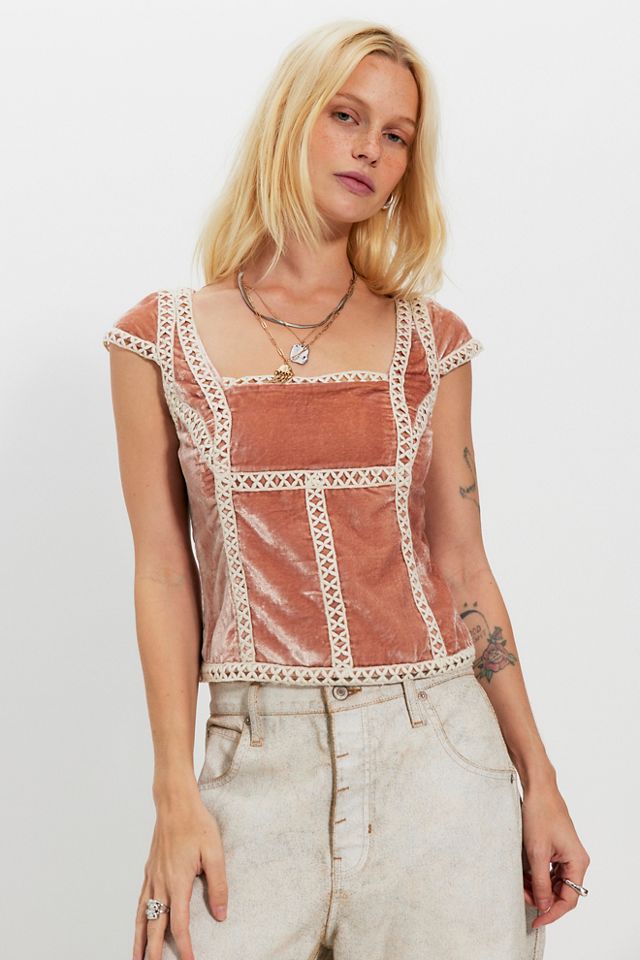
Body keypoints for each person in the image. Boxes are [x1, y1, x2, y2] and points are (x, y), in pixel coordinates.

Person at [102, 18, 590, 960]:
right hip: (255, 764)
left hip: (439, 764)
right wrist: (174, 794)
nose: (370, 147)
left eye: (397, 135)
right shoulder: (158, 338)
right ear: (291, 118)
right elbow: (163, 571)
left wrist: (541, 781)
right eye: (346, 115)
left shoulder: (432, 342)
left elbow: (465, 570)